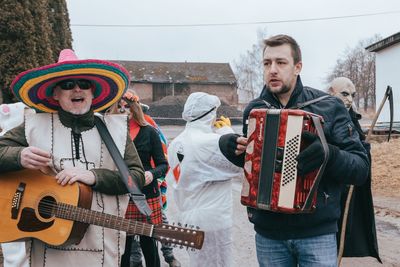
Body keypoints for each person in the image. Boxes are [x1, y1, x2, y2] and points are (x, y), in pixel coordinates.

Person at [220, 35, 370, 266]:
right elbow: (258, 164)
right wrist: (233, 150)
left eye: (281, 63)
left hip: (316, 233)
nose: (273, 70)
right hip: (269, 234)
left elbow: (360, 168)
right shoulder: (255, 109)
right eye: (267, 63)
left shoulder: (329, 106)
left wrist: (329, 154)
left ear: (297, 67)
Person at [0, 49, 145, 267]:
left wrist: (94, 176)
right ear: (55, 93)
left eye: (83, 84)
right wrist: (18, 156)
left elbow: (136, 178)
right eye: (68, 85)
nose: (77, 89)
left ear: (93, 92)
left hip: (103, 245)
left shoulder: (117, 130)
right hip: (48, 249)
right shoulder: (32, 126)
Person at [166, 92, 242, 267]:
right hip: (212, 221)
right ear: (211, 114)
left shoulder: (176, 142)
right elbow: (239, 166)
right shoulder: (210, 142)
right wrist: (227, 133)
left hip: (188, 218)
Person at [110, 90, 165, 267]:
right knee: (122, 245)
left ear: (135, 108)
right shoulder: (109, 132)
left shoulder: (149, 132)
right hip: (120, 193)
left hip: (147, 194)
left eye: (127, 106)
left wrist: (152, 174)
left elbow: (163, 164)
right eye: (119, 106)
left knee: (149, 243)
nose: (123, 110)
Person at [328, 77, 381, 262]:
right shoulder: (323, 116)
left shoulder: (352, 119)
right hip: (328, 194)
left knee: (345, 232)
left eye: (353, 95)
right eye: (344, 94)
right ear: (331, 92)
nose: (349, 99)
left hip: (350, 186)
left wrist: (363, 149)